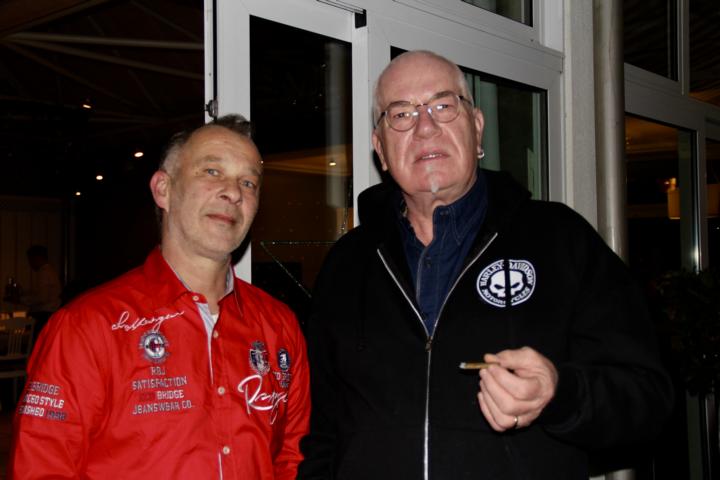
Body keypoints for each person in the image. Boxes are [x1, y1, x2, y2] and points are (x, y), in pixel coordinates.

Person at [298, 50, 673, 479]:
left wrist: (560, 393)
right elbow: (320, 429)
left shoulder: (560, 239)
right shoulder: (346, 264)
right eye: (401, 114)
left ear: (477, 128)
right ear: (380, 149)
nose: (425, 127)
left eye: (443, 105)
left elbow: (649, 398)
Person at [10, 115, 310, 479]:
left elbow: (293, 458)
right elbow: (41, 467)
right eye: (212, 172)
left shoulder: (279, 325)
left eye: (248, 182)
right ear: (163, 189)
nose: (234, 192)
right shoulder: (87, 327)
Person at [21, 245, 63, 333]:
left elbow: (42, 298)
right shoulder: (50, 271)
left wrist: (21, 300)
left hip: (44, 315)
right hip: (49, 313)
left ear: (37, 258)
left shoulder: (44, 273)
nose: (30, 264)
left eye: (31, 260)